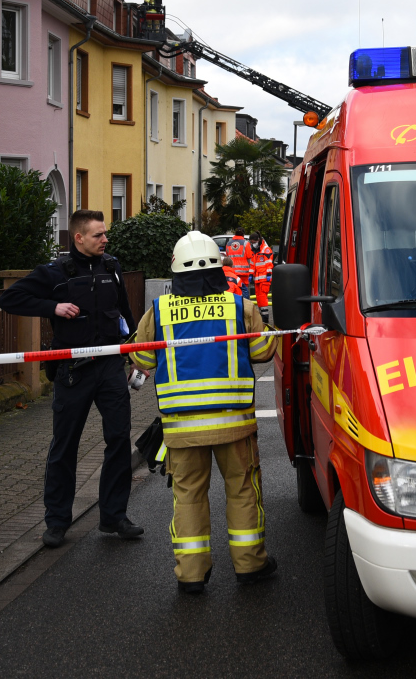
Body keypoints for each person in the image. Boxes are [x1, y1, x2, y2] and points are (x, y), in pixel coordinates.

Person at [129, 231, 278, 593]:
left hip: (182, 429)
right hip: (234, 425)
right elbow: (262, 352)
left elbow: (142, 357)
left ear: (177, 272)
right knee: (242, 491)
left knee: (189, 497)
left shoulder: (159, 311)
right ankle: (249, 565)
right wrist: (271, 329)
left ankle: (192, 576)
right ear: (219, 269)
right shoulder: (239, 306)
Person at [0, 210, 142, 549]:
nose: (105, 239)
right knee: (65, 446)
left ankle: (114, 516)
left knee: (119, 440)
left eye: (105, 234)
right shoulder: (55, 273)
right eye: (98, 235)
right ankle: (58, 521)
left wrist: (137, 353)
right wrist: (53, 307)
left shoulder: (112, 267)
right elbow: (10, 299)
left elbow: (126, 313)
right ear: (78, 238)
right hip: (73, 370)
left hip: (110, 365)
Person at [222, 228, 253, 296]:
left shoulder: (229, 243)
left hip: (232, 271)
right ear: (243, 234)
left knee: (232, 289)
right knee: (244, 290)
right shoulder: (246, 243)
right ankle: (245, 304)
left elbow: (228, 256)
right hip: (243, 272)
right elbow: (249, 258)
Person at [249, 233, 273, 308]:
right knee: (259, 298)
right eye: (251, 243)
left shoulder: (266, 250)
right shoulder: (255, 251)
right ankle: (262, 315)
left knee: (262, 298)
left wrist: (269, 274)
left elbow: (269, 263)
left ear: (258, 240)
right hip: (257, 279)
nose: (253, 244)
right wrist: (250, 274)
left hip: (264, 278)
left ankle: (265, 316)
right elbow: (252, 264)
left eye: (253, 242)